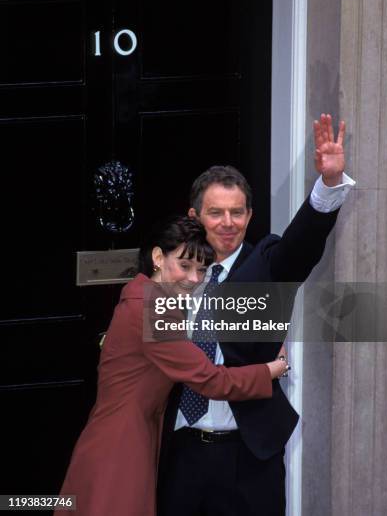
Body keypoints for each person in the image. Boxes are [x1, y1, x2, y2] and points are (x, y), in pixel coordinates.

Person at [157, 114, 355, 516]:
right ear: (195, 218)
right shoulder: (171, 273)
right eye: (216, 213)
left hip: (248, 458)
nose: (228, 224)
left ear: (249, 215)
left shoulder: (268, 265)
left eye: (238, 212)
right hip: (179, 452)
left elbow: (301, 245)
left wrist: (329, 185)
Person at [55, 216, 288, 516]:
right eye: (184, 265)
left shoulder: (145, 296)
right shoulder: (152, 311)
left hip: (122, 437)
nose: (193, 279)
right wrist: (274, 368)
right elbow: (210, 380)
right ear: (157, 257)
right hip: (121, 447)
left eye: (201, 269)